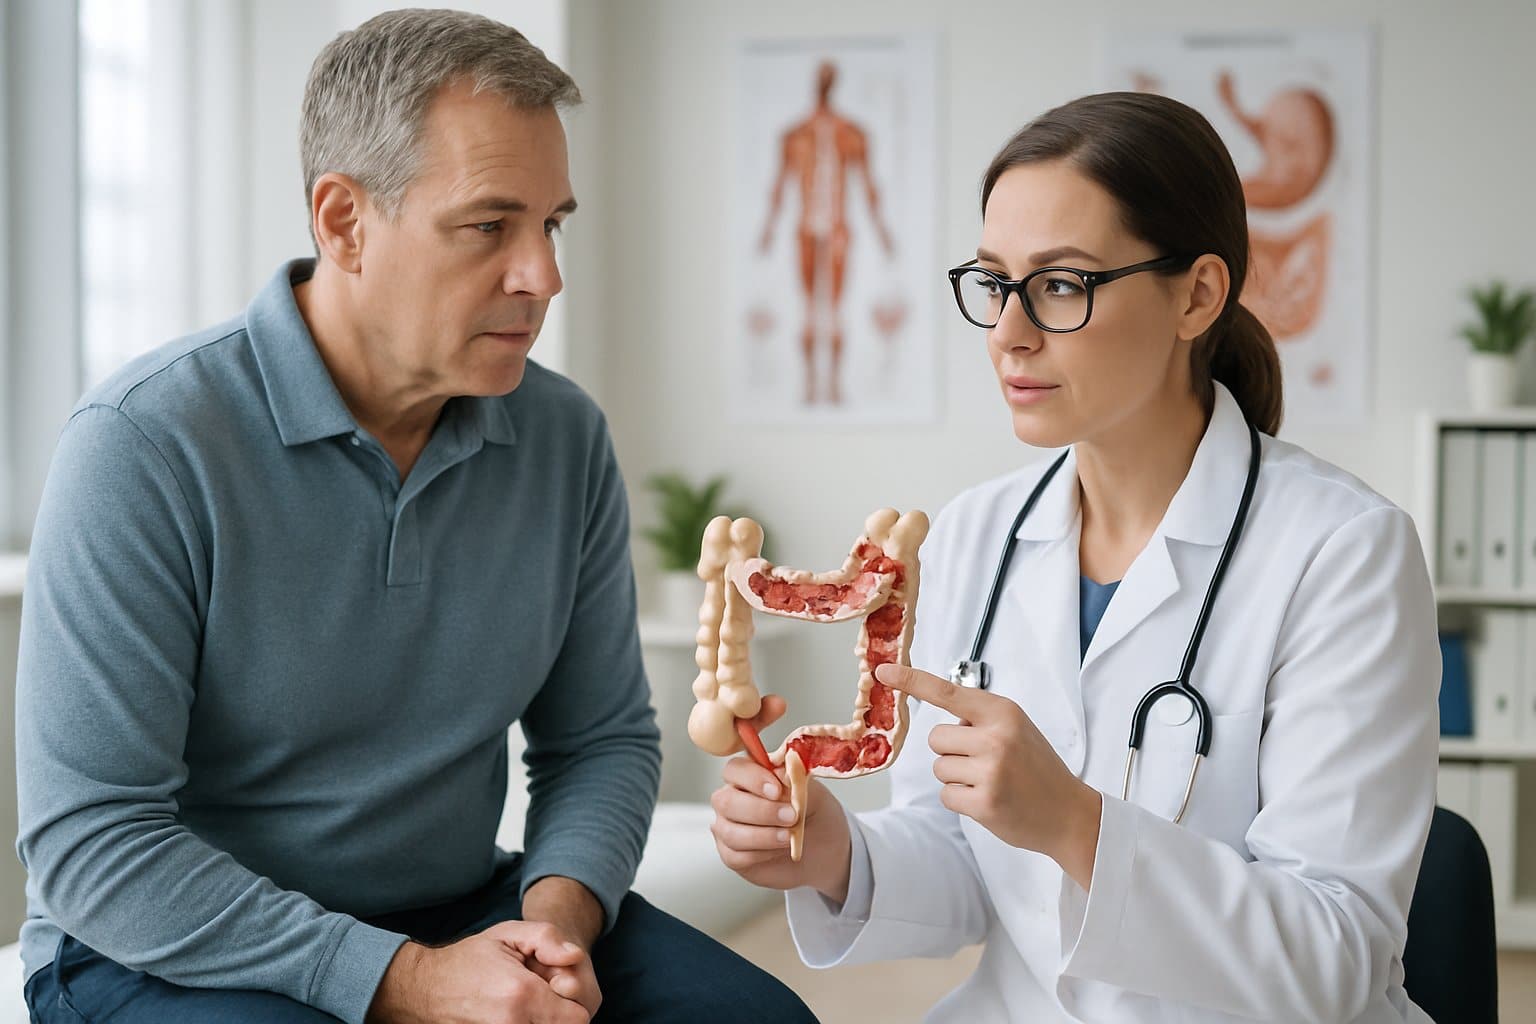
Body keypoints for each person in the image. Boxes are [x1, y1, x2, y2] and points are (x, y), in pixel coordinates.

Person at [16, 10, 816, 1024]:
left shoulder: (562, 437)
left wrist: (555, 925)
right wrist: (407, 980)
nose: (543, 276)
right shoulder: (142, 445)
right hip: (168, 951)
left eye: (551, 223)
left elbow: (602, 739)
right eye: (490, 226)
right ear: (344, 220)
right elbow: (96, 841)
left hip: (455, 905)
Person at [711, 91, 1439, 1022]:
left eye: (1061, 285)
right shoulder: (977, 533)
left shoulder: (1343, 553)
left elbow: (1334, 957)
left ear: (1198, 295)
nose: (1010, 333)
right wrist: (833, 852)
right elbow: (964, 855)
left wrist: (1074, 825)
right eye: (993, 283)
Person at [758, 60, 895, 406]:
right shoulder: (795, 135)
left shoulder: (851, 133)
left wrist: (882, 232)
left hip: (836, 230)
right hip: (806, 228)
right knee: (808, 308)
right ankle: (808, 384)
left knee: (832, 310)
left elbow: (868, 186)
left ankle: (832, 384)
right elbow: (779, 186)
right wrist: (768, 230)